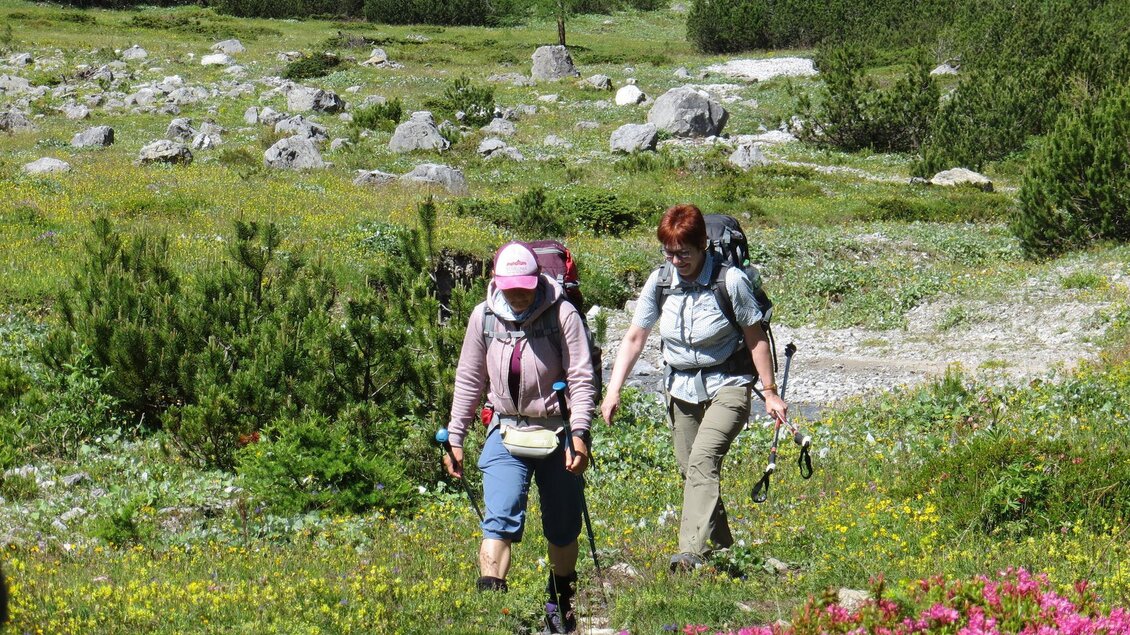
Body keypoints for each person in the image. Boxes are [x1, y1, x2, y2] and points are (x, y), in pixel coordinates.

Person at [600, 204, 787, 572]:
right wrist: (613, 389)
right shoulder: (660, 281)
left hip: (729, 384)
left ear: (702, 245)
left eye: (683, 252)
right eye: (668, 252)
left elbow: (755, 338)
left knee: (703, 463)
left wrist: (769, 391)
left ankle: (689, 554)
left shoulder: (730, 281)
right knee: (692, 471)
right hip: (681, 388)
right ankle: (725, 551)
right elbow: (636, 337)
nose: (676, 260)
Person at [444, 241, 595, 634]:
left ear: (537, 279)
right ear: (497, 282)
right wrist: (456, 436)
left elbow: (580, 377)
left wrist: (579, 434)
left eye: (525, 286)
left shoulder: (563, 314)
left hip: (557, 430)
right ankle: (492, 620)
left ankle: (559, 609)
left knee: (562, 529)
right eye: (511, 287)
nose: (519, 294)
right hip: (506, 429)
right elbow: (469, 378)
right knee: (498, 520)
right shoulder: (484, 317)